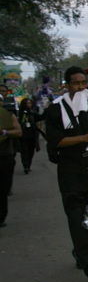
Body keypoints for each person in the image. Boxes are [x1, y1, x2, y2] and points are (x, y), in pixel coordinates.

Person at [46, 66, 88, 282]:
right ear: (67, 85)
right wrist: (82, 138)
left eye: (84, 83)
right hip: (70, 173)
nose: (81, 87)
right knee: (76, 219)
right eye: (76, 83)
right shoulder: (55, 110)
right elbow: (55, 141)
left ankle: (80, 252)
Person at [0, 97, 22, 228]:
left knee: (3, 188)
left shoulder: (8, 115)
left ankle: (1, 216)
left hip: (4, 156)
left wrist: (4, 132)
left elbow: (18, 131)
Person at [17, 98, 45, 174]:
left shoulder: (32, 112)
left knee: (30, 151)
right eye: (28, 103)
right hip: (24, 136)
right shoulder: (20, 113)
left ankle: (28, 165)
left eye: (30, 103)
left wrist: (46, 111)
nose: (29, 105)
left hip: (32, 135)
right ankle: (25, 166)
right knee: (24, 151)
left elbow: (40, 117)